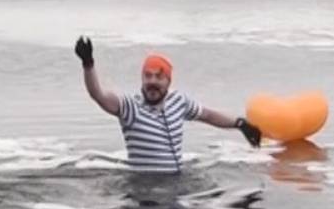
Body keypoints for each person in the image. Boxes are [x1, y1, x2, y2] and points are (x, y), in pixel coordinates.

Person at [73, 37, 259, 172]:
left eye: (159, 77)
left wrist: (240, 124)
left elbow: (208, 115)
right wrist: (88, 64)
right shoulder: (131, 108)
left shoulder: (178, 102)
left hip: (174, 185)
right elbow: (98, 95)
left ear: (169, 81)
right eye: (148, 76)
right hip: (144, 191)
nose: (152, 81)